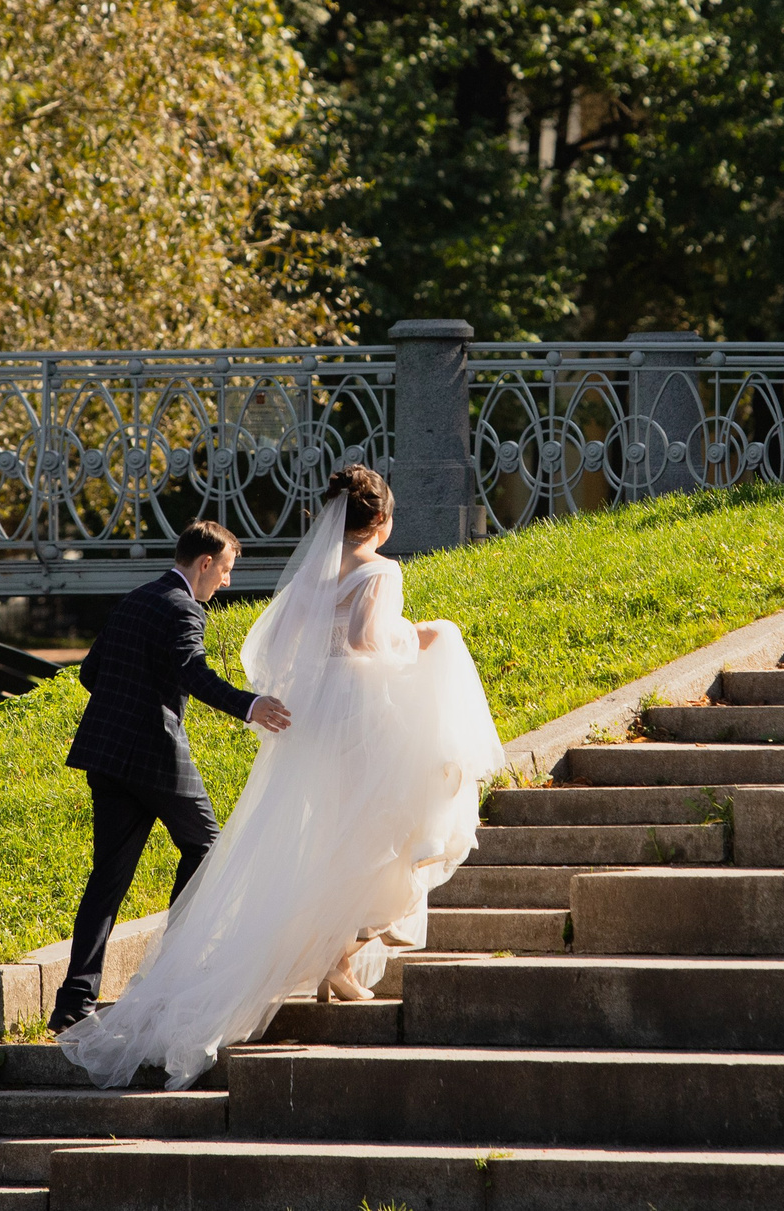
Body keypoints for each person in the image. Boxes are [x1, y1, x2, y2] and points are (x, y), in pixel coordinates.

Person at [57, 465, 506, 1089]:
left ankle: (333, 958)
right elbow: (363, 641)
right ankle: (337, 948)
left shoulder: (302, 580)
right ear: (379, 521)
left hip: (305, 723)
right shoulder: (382, 570)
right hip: (357, 716)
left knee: (318, 834)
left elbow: (271, 651)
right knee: (390, 825)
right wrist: (423, 637)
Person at [48, 519, 292, 1032]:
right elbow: (193, 674)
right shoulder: (184, 608)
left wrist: (129, 702)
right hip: (155, 756)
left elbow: (90, 674)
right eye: (224, 570)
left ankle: (73, 1004)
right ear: (204, 564)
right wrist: (250, 705)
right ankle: (168, 973)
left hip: (106, 756)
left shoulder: (136, 598)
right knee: (208, 851)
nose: (226, 582)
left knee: (107, 880)